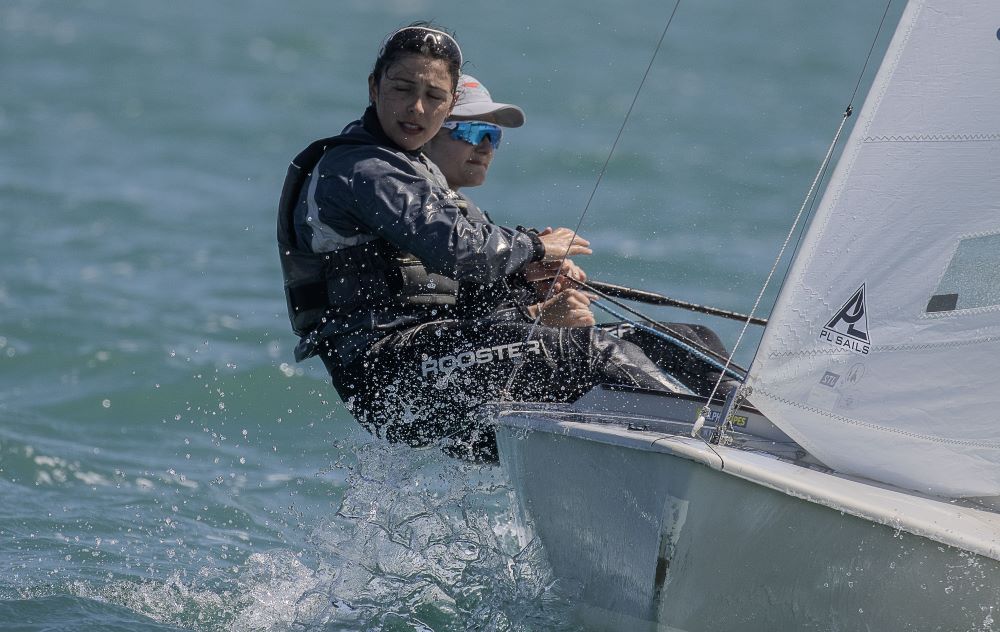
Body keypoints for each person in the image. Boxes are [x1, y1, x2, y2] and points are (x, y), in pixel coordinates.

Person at [277, 23, 694, 462]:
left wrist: (536, 307)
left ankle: (756, 429)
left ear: (450, 103)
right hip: (389, 377)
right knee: (598, 353)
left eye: (434, 97)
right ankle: (707, 450)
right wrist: (535, 247)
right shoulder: (361, 169)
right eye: (402, 89)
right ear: (374, 88)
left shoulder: (422, 177)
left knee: (676, 339)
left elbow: (467, 299)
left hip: (442, 363)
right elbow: (461, 250)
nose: (416, 107)